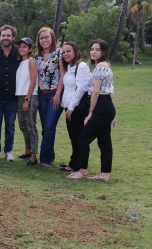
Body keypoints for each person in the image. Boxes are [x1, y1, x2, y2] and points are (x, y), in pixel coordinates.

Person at [67, 39, 116, 182]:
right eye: (92, 49)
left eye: (98, 49)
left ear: (104, 52)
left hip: (101, 106)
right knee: (104, 141)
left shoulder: (101, 66)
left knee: (82, 139)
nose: (93, 52)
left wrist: (90, 113)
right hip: (106, 106)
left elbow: (95, 92)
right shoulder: (103, 66)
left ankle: (82, 171)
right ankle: (105, 174)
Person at [0, 25, 21, 161]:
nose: (5, 38)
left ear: (13, 37)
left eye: (8, 35)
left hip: (12, 97)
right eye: (3, 35)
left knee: (10, 126)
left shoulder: (19, 52)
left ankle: (8, 151)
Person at [35, 26, 65, 167]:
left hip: (54, 95)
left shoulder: (59, 53)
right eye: (41, 38)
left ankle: (45, 159)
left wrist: (58, 94)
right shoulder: (37, 56)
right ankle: (50, 154)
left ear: (52, 38)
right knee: (45, 127)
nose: (44, 40)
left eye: (47, 37)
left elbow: (63, 74)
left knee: (49, 126)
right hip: (42, 95)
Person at [60, 41, 90, 172]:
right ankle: (74, 161)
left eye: (68, 51)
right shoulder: (70, 67)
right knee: (73, 136)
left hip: (77, 107)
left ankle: (78, 164)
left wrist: (71, 107)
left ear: (75, 51)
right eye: (64, 52)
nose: (66, 54)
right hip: (69, 106)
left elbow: (82, 88)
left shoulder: (81, 66)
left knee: (78, 136)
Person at [15, 37, 39, 166]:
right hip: (19, 96)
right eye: (20, 46)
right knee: (23, 126)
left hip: (29, 97)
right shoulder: (21, 62)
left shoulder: (31, 61)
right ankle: (28, 150)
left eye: (25, 47)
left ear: (30, 49)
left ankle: (34, 156)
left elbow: (33, 82)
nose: (22, 49)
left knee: (31, 127)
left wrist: (27, 99)